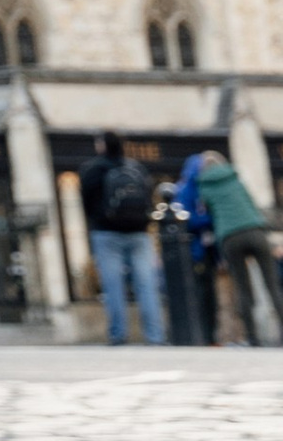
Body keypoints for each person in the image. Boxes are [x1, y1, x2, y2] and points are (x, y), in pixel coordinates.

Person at [177, 138, 282, 347]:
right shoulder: (235, 178)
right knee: (272, 285)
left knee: (243, 288)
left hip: (230, 237)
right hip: (255, 231)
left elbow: (205, 215)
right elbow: (252, 206)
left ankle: (253, 338)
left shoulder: (203, 185)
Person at [77, 133, 168, 346]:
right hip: (139, 233)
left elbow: (86, 203)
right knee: (147, 285)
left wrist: (96, 223)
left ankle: (118, 334)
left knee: (113, 285)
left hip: (106, 232)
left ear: (101, 145)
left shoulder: (92, 170)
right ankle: (155, 336)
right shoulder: (136, 168)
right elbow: (148, 196)